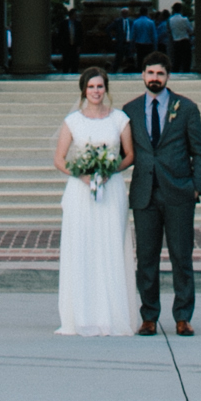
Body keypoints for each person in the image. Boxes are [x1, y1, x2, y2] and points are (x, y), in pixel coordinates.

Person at [52, 62, 137, 337]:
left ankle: (113, 314)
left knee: (111, 246)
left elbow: (129, 155)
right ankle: (81, 315)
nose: (96, 91)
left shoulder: (119, 119)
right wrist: (82, 174)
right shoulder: (73, 121)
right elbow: (59, 159)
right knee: (83, 248)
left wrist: (110, 170)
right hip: (81, 192)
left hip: (111, 190)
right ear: (83, 90)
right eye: (91, 87)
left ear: (106, 89)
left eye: (100, 86)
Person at [125, 52, 201, 336]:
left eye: (160, 74)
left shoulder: (186, 108)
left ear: (168, 76)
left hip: (178, 194)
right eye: (150, 73)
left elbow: (200, 152)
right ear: (143, 76)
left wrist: (195, 187)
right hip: (145, 195)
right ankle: (149, 316)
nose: (155, 79)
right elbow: (125, 152)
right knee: (146, 259)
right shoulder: (130, 110)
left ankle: (183, 317)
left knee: (181, 257)